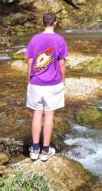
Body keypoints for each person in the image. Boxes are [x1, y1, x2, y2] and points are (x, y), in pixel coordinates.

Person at [25, 12, 68, 161]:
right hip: (53, 83)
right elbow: (62, 63)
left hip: (36, 82)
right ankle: (45, 150)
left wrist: (29, 79)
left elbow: (30, 62)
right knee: (49, 115)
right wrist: (63, 81)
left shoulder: (35, 39)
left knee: (37, 113)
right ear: (55, 23)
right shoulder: (60, 39)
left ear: (42, 23)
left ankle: (35, 149)